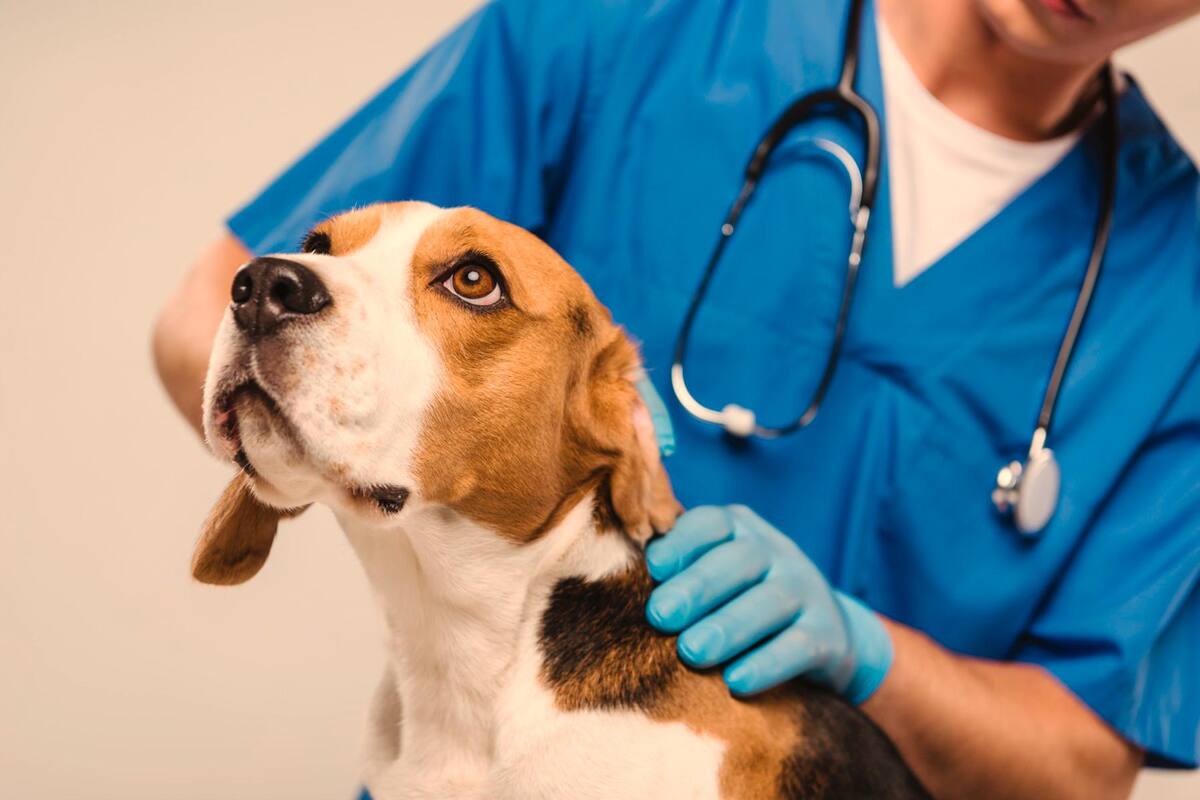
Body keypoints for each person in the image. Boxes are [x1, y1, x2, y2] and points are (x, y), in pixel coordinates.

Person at [153, 0, 1200, 796]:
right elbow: (219, 313)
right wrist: (355, 449)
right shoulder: (627, 26)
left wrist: (861, 644)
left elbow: (1079, 754)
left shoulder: (1178, 283)